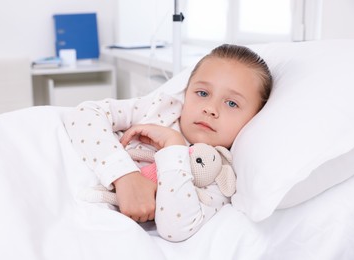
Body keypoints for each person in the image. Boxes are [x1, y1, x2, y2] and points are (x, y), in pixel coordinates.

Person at [63, 44, 272, 241]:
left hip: (93, 222)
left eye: (232, 103)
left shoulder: (218, 173)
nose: (210, 108)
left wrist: (174, 146)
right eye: (202, 93)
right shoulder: (162, 109)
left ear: (255, 118)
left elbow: (175, 228)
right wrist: (124, 175)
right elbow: (83, 113)